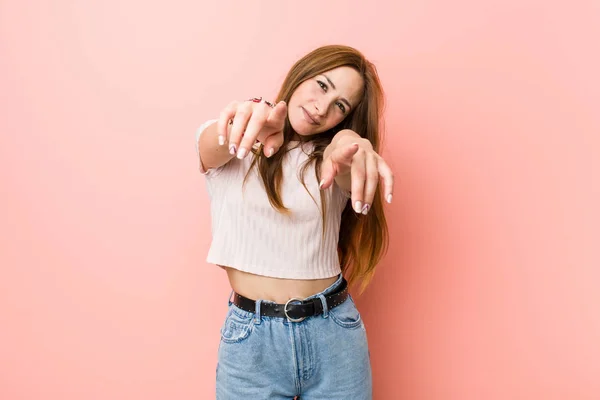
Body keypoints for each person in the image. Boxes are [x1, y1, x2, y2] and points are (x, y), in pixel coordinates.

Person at [195, 44, 394, 400]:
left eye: (340, 106)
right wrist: (245, 117)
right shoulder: (236, 144)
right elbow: (212, 144)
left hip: (333, 334)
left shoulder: (332, 164)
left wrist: (349, 141)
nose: (322, 108)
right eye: (322, 85)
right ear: (302, 73)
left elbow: (346, 164)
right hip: (251, 343)